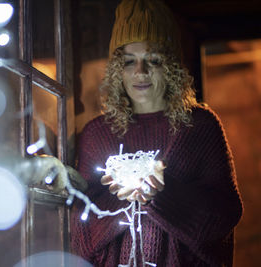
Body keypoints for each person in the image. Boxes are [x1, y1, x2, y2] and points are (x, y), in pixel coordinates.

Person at [70, 0, 243, 266]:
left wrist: (162, 195)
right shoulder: (98, 134)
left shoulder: (199, 127)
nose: (140, 72)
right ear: (118, 70)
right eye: (129, 61)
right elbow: (81, 235)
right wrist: (120, 200)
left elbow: (224, 216)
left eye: (153, 60)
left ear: (171, 66)